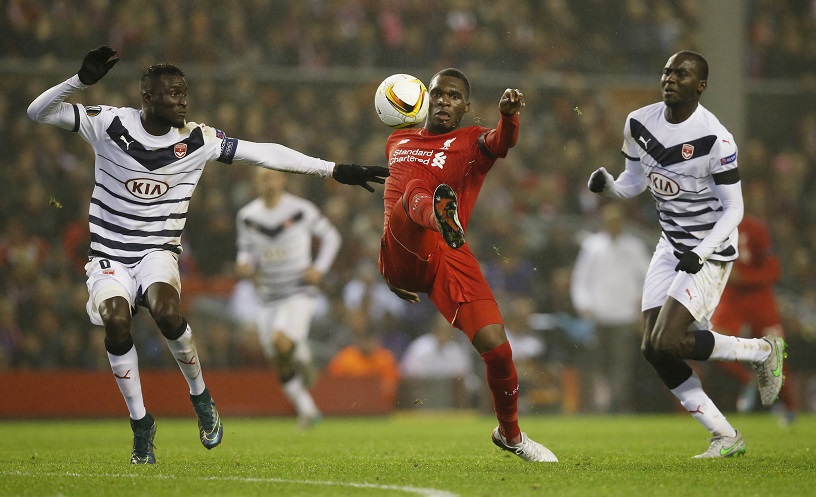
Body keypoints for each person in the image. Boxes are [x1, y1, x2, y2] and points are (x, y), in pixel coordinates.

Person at [26, 46, 388, 465]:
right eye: (173, 94)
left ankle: (200, 396)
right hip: (108, 253)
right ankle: (141, 425)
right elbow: (38, 113)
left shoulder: (198, 139)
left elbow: (264, 152)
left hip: (156, 251)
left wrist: (333, 169)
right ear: (148, 98)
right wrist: (79, 83)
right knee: (116, 320)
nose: (183, 101)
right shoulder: (109, 124)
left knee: (165, 311)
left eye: (185, 93)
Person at [586, 51, 786, 458]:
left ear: (701, 86)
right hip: (670, 244)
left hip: (709, 250)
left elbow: (735, 209)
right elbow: (634, 181)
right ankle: (724, 435)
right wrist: (609, 186)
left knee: (669, 339)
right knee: (653, 348)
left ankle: (763, 351)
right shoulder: (638, 122)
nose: (670, 78)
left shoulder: (715, 138)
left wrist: (702, 250)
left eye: (681, 73)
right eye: (666, 71)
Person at [377, 67, 558, 462]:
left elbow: (501, 140)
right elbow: (392, 200)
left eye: (454, 96)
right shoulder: (398, 139)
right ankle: (440, 215)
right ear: (425, 99)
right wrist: (387, 265)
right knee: (413, 190)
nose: (444, 100)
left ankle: (511, 434)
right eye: (438, 93)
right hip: (404, 243)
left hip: (449, 253)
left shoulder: (472, 141)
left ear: (466, 107)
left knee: (497, 348)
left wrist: (508, 116)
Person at [234, 168, 342, 429]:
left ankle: (303, 355)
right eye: (262, 178)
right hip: (268, 296)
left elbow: (331, 236)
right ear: (256, 183)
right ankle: (307, 409)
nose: (268, 183)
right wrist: (244, 264)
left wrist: (320, 268)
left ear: (283, 179)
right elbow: (245, 250)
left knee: (280, 341)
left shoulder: (300, 209)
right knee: (277, 356)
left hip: (298, 290)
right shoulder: (248, 216)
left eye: (272, 177)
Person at [710, 213, 796, 422]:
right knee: (712, 343)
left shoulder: (754, 228)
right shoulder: (708, 227)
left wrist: (745, 277)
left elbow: (774, 270)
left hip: (759, 298)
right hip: (731, 298)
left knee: (775, 354)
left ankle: (788, 407)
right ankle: (749, 379)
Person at [570, 202, 651, 412]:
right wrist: (584, 303)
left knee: (622, 364)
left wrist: (641, 304)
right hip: (599, 314)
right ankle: (603, 403)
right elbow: (580, 279)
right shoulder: (592, 246)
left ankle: (617, 404)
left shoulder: (634, 247)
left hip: (625, 315)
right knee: (601, 363)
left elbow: (649, 278)